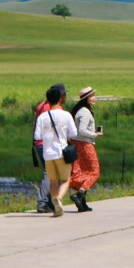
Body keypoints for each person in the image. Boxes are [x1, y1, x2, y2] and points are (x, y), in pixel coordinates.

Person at [32, 84, 77, 221]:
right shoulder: (66, 115)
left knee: (53, 181)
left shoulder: (42, 117)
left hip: (47, 153)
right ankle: (59, 200)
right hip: (61, 152)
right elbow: (74, 133)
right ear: (60, 98)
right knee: (66, 180)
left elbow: (37, 136)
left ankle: (55, 204)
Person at [66, 87, 101, 213]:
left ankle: (82, 203)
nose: (94, 98)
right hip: (85, 144)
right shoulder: (85, 112)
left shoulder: (79, 110)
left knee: (82, 171)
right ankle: (80, 193)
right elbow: (82, 130)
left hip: (76, 143)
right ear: (86, 98)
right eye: (92, 96)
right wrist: (95, 134)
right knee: (95, 172)